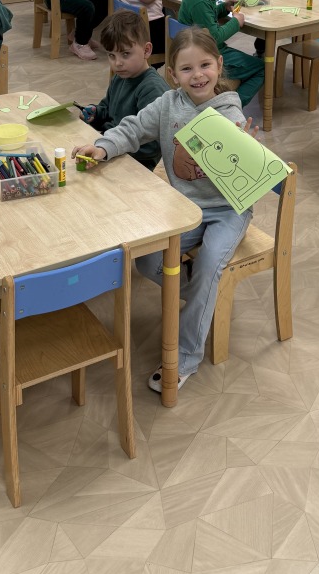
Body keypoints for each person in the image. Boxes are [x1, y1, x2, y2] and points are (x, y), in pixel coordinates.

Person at [72, 27, 254, 392]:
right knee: (147, 259)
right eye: (187, 69)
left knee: (208, 265)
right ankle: (202, 295)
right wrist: (103, 147)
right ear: (172, 73)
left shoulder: (230, 114)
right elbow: (133, 129)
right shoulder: (168, 103)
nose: (198, 75)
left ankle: (185, 357)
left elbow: (247, 174)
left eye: (205, 65)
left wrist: (247, 151)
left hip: (228, 211)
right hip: (186, 207)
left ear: (219, 65)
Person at [77, 10, 167, 170]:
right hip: (109, 147)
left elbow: (152, 145)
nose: (117, 63)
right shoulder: (120, 77)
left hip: (135, 163)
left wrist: (109, 147)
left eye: (125, 54)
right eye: (111, 55)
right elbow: (108, 110)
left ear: (146, 50)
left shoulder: (152, 89)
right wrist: (95, 114)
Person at [178, 0, 264, 109]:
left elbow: (206, 19)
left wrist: (223, 8)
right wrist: (236, 22)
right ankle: (230, 107)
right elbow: (214, 37)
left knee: (249, 64)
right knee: (262, 68)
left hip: (198, 49)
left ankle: (224, 93)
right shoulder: (199, 1)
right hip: (205, 54)